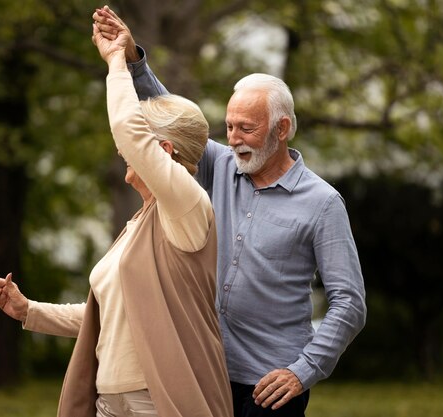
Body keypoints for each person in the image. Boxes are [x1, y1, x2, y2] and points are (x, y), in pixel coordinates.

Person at [93, 6, 367, 417]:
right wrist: (131, 60)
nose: (235, 139)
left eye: (247, 129)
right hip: (205, 371)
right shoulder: (220, 165)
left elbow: (349, 302)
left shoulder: (322, 203)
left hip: (269, 388)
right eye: (230, 127)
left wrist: (304, 370)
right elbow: (170, 123)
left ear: (282, 128)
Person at [0, 16, 233, 417]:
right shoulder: (139, 223)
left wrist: (117, 60)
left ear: (164, 153)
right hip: (110, 401)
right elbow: (112, 313)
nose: (123, 151)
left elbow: (127, 128)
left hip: (160, 401)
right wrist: (28, 310)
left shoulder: (187, 205)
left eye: (139, 146)